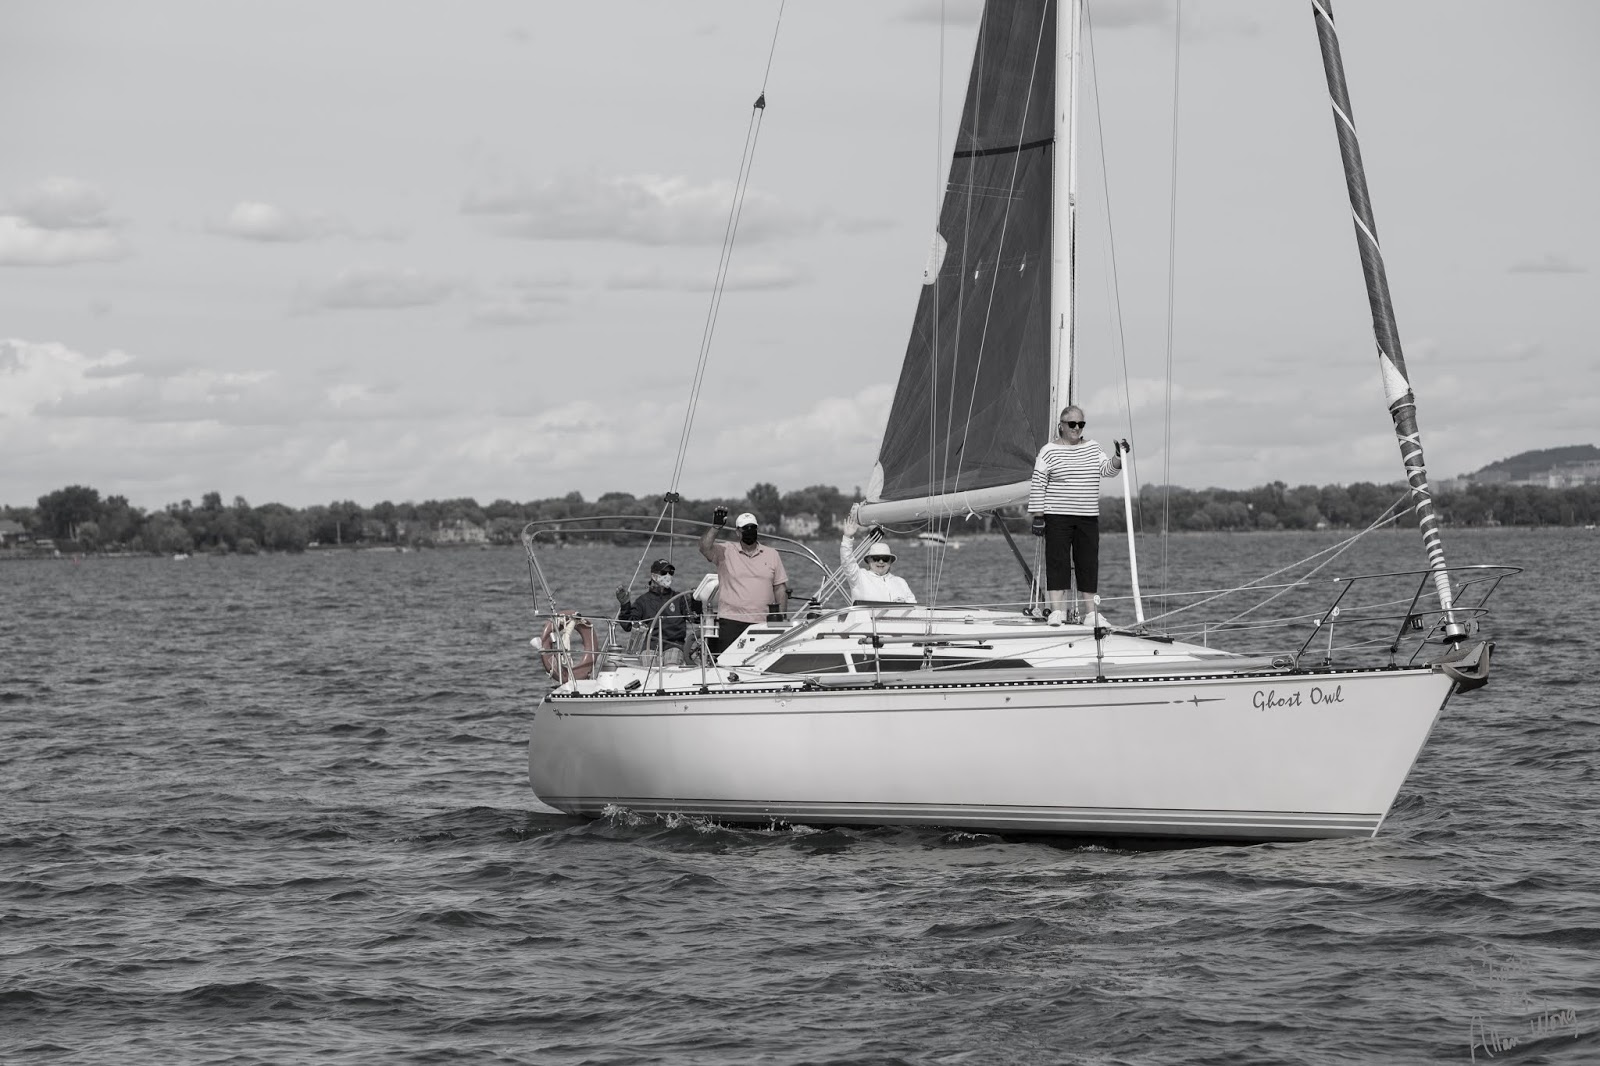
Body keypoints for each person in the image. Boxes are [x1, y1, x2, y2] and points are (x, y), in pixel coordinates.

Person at [1027, 405, 1127, 627]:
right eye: (1072, 424)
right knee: (1057, 562)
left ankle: (1091, 614)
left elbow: (1107, 470)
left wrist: (1119, 456)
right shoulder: (1048, 451)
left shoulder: (1093, 448)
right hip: (1057, 516)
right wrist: (1038, 516)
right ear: (1061, 426)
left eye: (1081, 424)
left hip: (1087, 516)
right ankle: (1056, 612)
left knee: (1088, 563)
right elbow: (1038, 483)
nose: (1076, 428)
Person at [699, 507, 788, 653]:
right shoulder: (725, 551)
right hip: (732, 621)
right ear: (737, 532)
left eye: (753, 527)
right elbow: (704, 548)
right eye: (746, 528)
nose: (750, 531)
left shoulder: (772, 554)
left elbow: (780, 588)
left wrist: (782, 619)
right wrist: (715, 527)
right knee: (729, 663)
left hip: (764, 622)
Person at [614, 558, 693, 665]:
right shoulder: (643, 601)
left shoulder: (679, 598)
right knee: (648, 663)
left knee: (672, 663)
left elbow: (694, 618)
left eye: (671, 572)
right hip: (650, 646)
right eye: (664, 572)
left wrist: (696, 600)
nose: (668, 575)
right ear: (654, 576)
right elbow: (628, 626)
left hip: (674, 645)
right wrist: (625, 605)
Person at [839, 514, 915, 604]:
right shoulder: (859, 577)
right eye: (876, 558)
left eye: (885, 558)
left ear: (890, 562)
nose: (881, 561)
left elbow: (913, 606)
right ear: (869, 560)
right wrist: (847, 537)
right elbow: (847, 561)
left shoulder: (901, 582)